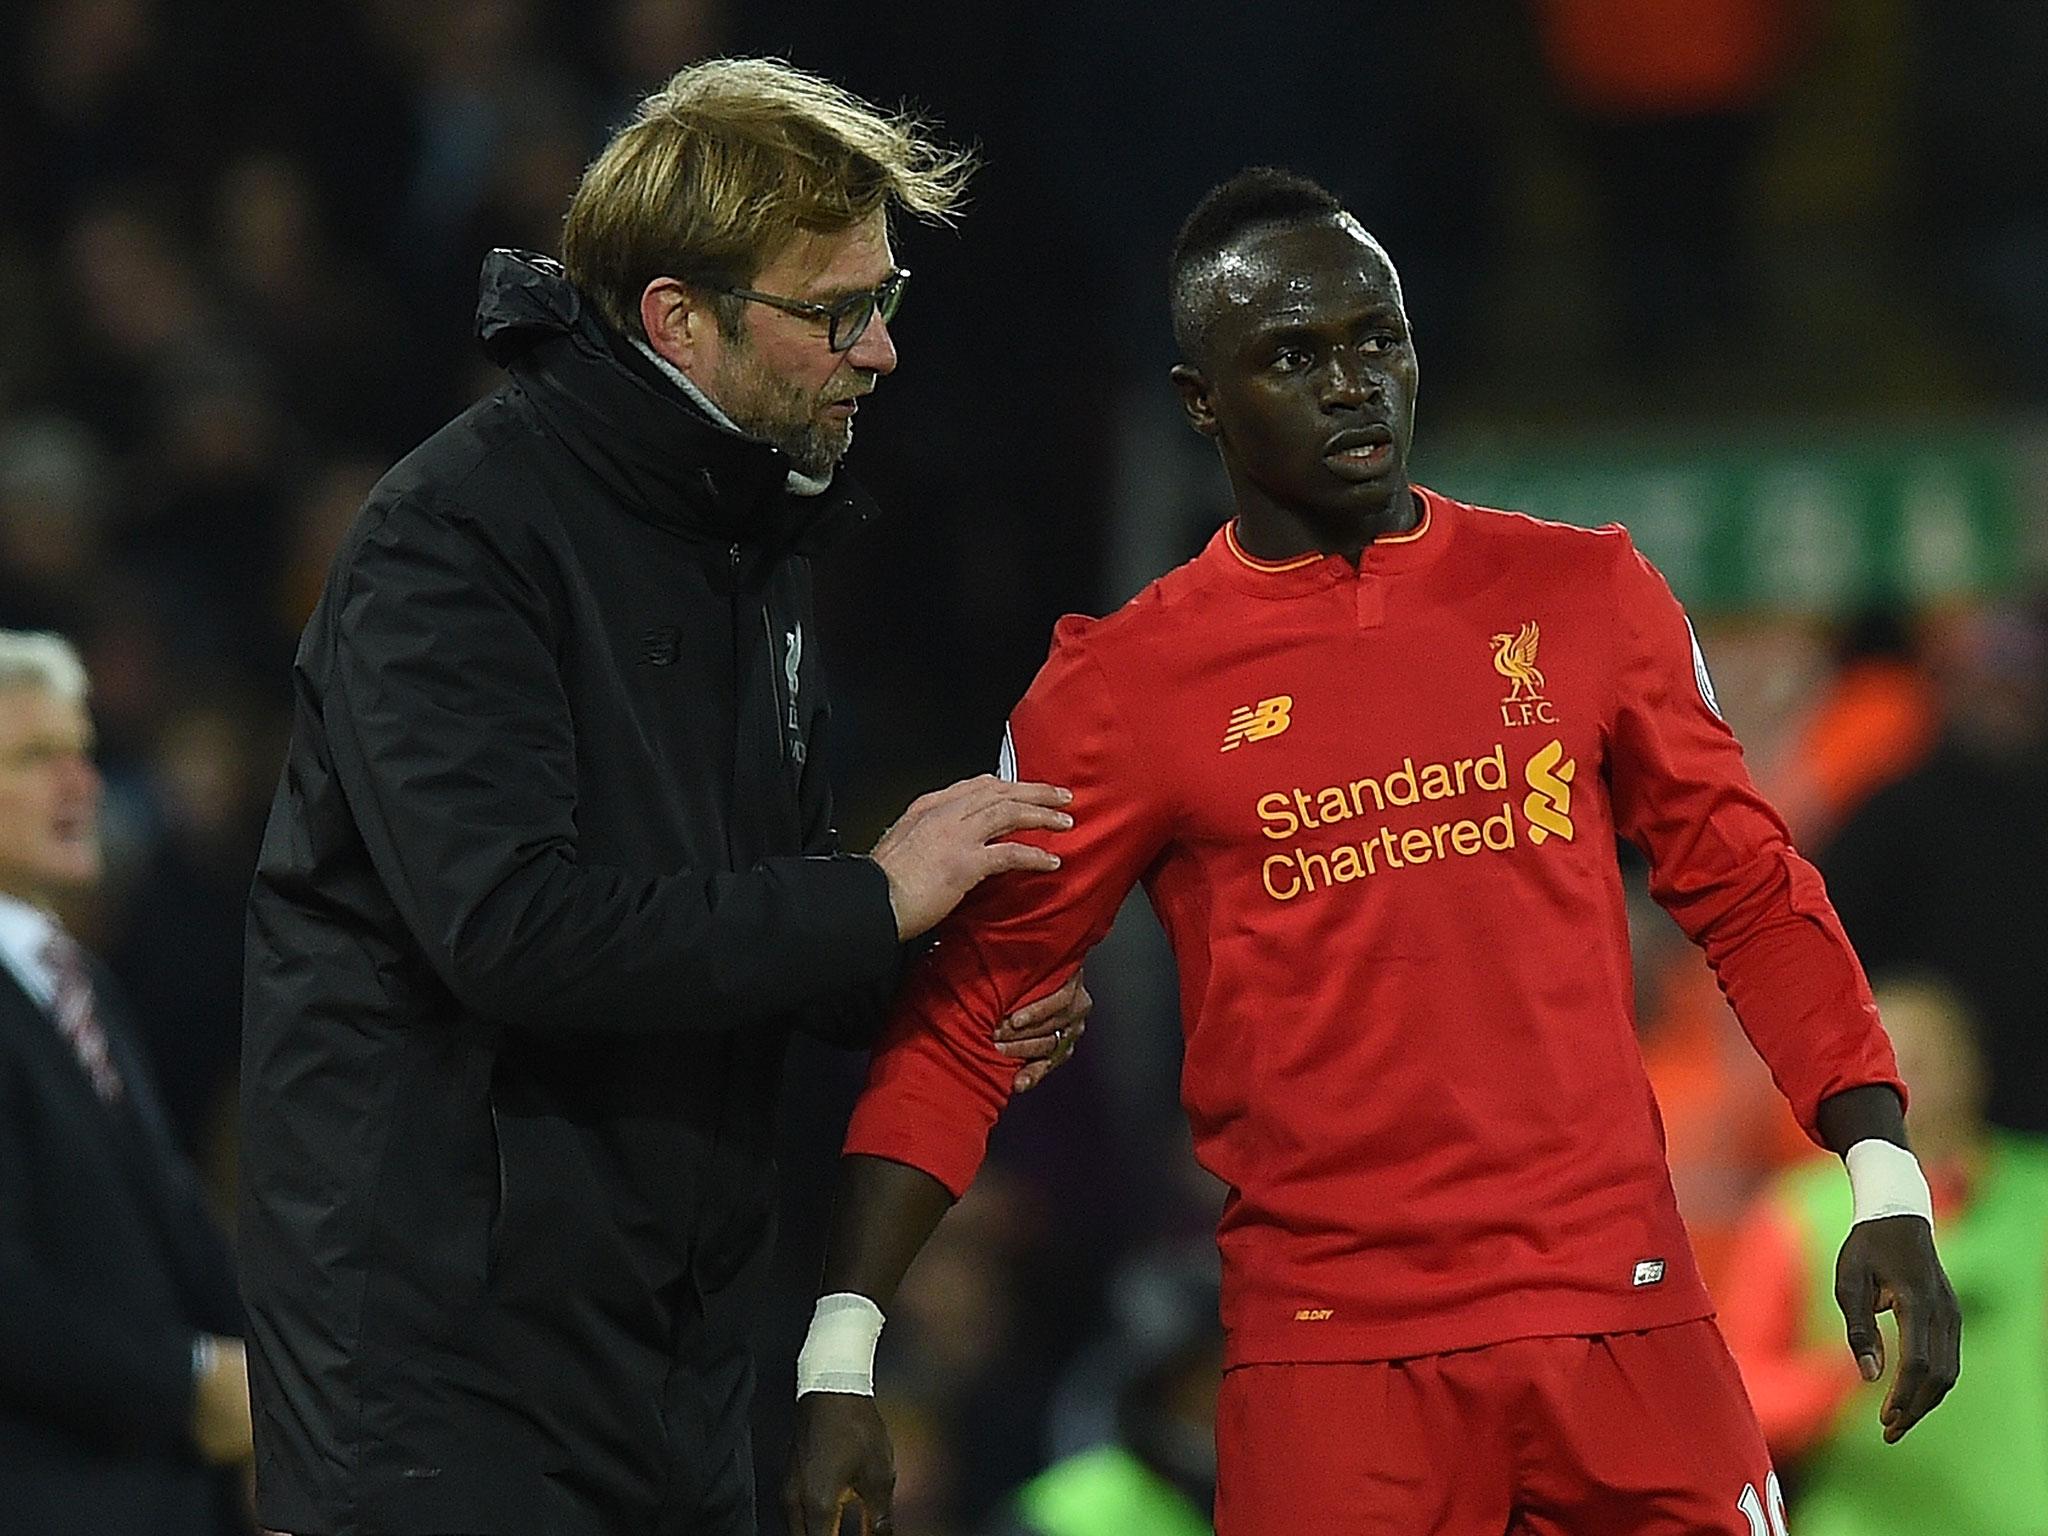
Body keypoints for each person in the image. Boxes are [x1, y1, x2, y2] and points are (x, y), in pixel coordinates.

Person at [784, 169, 1962, 1536]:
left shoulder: (1587, 597)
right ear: (1199, 400)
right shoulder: (1119, 692)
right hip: (1332, 1361)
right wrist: (842, 1356)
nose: (1354, 384)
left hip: (1623, 1320)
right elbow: (966, 1022)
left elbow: (1754, 894)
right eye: (1294, 355)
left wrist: (1885, 1177)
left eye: (1377, 340)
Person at [239, 59, 1087, 1536]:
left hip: (672, 1353)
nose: (880, 352)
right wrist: (871, 899)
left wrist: (930, 976)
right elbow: (512, 927)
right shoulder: (457, 538)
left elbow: (727, 916)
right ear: (677, 321)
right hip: (445, 1381)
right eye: (836, 313)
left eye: (886, 301)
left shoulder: (757, 545)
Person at [0, 630, 252, 1535]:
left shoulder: (81, 981)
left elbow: (169, 1215)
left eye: (84, 753)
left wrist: (276, 1377)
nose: (83, 787)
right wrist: (189, 1384)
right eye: (37, 757)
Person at [1719, 975, 2048, 1536]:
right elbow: (1737, 1400)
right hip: (1856, 1522)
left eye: (1930, 1056)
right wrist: (1858, 1365)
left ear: (1975, 1067)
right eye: (1891, 1055)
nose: (1912, 1077)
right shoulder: (1796, 1212)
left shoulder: (2039, 1195)